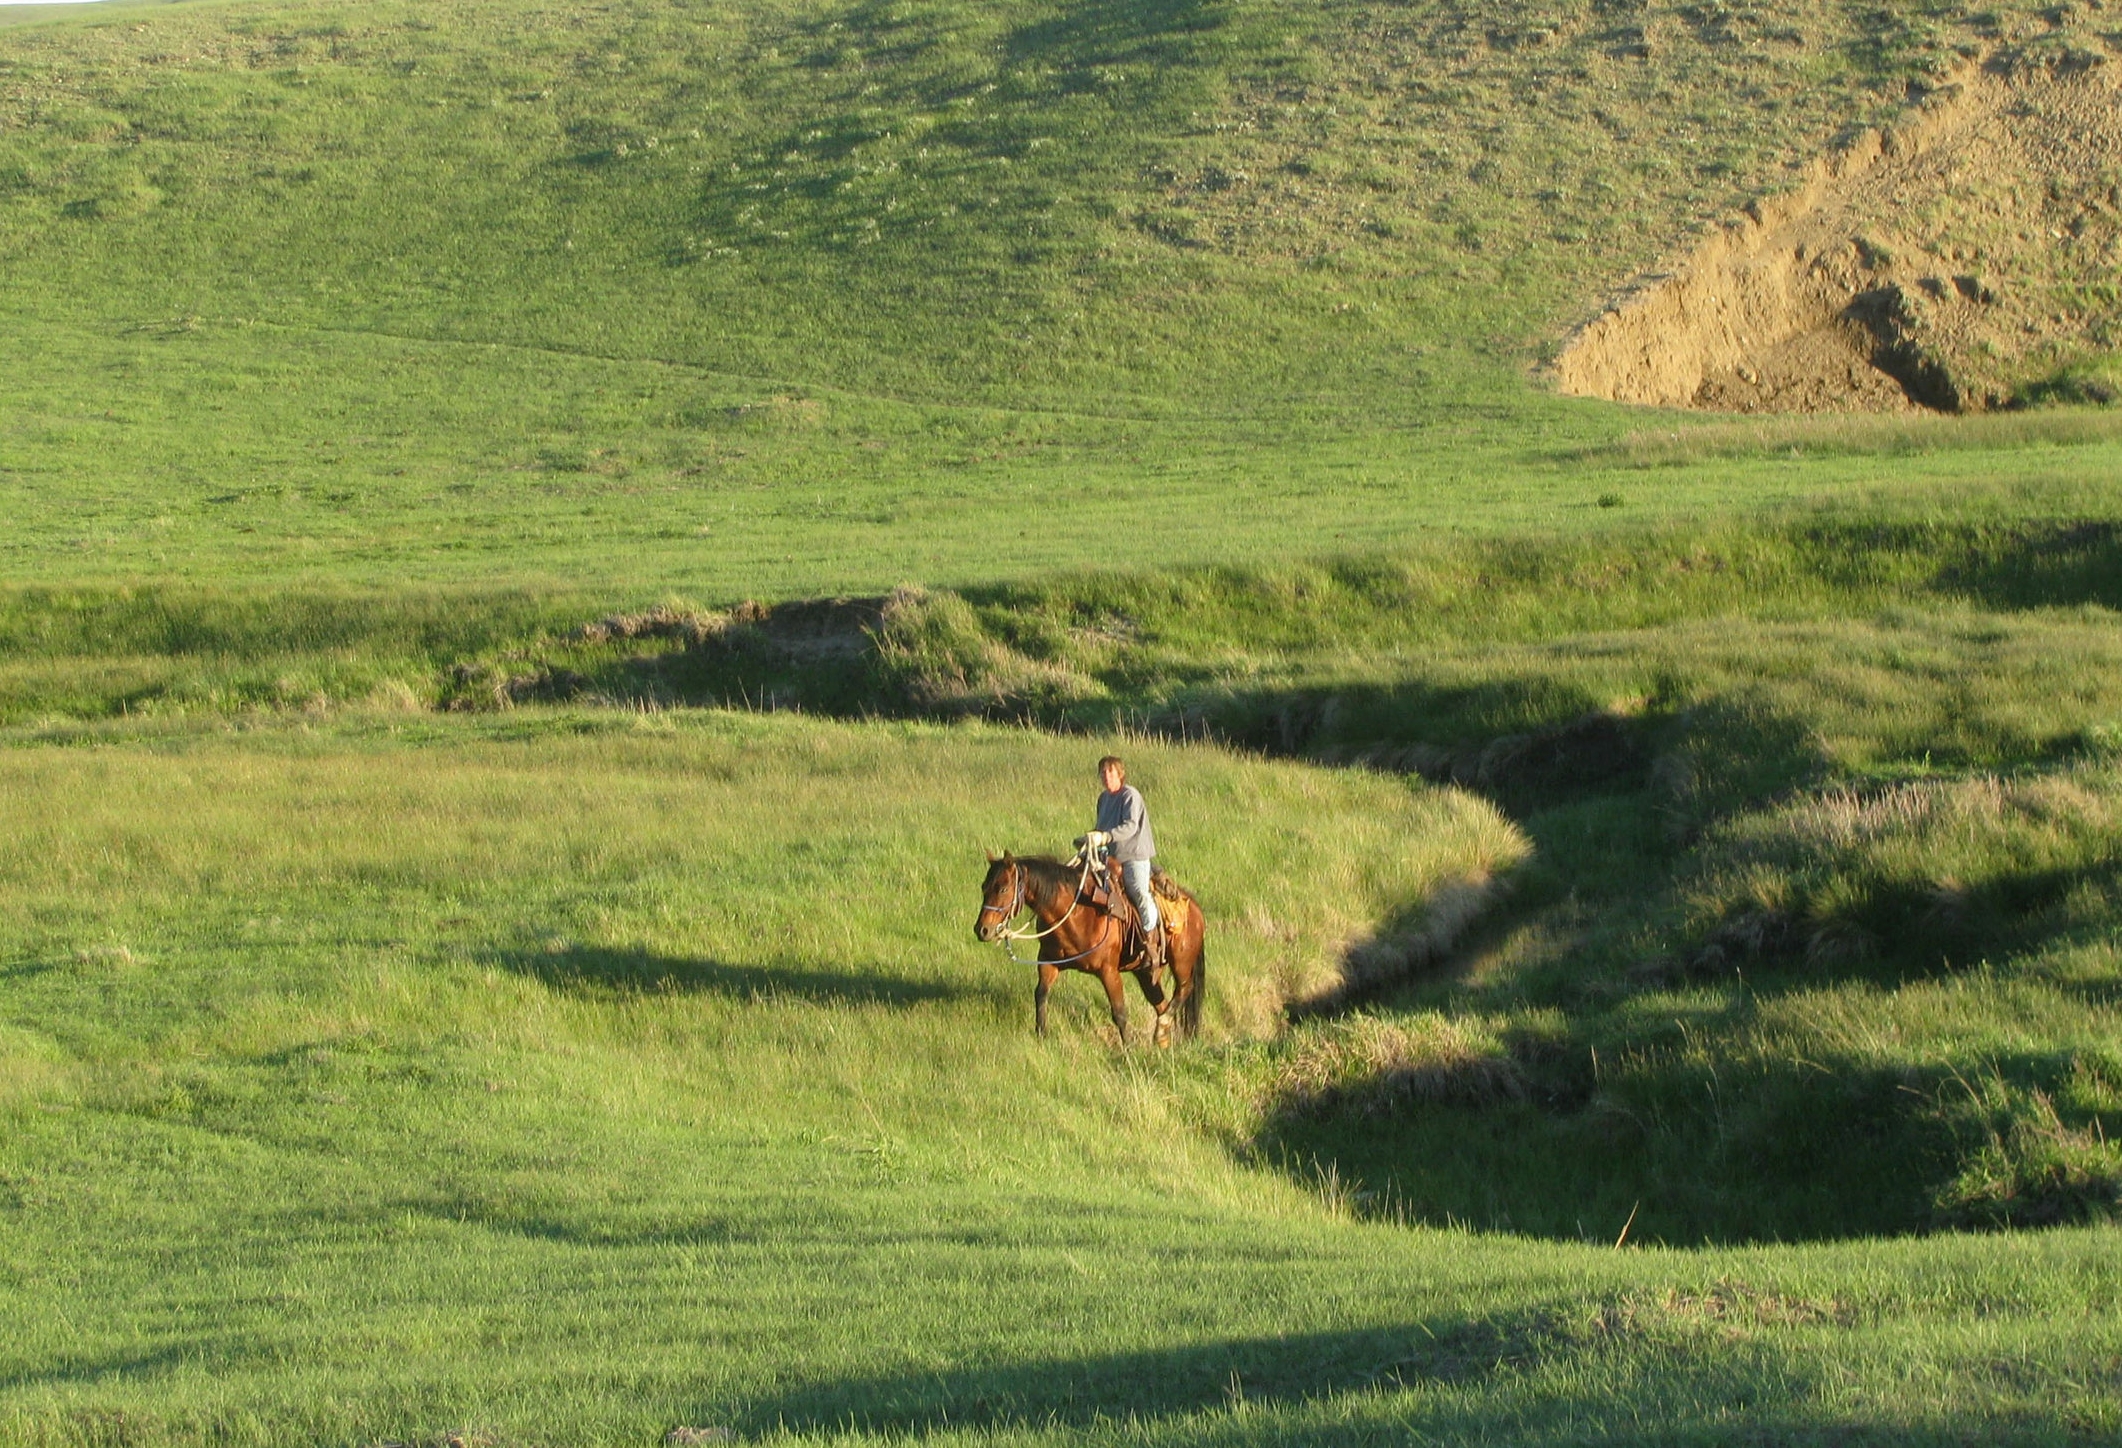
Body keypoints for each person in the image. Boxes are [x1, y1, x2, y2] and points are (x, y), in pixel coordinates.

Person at [1076, 755, 1163, 970]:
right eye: (1103, 773)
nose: (1106, 777)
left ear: (1120, 775)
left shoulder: (1130, 796)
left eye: (1110, 772)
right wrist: (1089, 839)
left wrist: (1105, 837)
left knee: (1137, 891)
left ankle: (1150, 939)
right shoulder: (1103, 799)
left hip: (1133, 855)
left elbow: (1130, 826)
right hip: (1109, 856)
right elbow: (1100, 826)